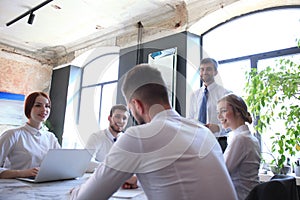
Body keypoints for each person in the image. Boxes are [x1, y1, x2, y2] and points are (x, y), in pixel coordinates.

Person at [70, 64, 238, 200]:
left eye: (130, 110)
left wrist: (73, 192)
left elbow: (85, 198)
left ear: (137, 105)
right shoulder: (203, 131)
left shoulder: (138, 136)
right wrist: (139, 181)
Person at [0, 91, 61, 179]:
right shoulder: (12, 135)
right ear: (29, 108)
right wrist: (22, 173)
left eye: (47, 106)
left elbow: (60, 164)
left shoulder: (50, 137)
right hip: (15, 187)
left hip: (43, 187)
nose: (44, 110)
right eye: (38, 105)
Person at [217, 93, 261, 200]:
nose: (219, 117)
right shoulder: (250, 138)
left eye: (223, 111)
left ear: (237, 111)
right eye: (218, 112)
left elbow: (221, 173)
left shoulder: (240, 139)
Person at [189, 57, 231, 152]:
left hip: (219, 141)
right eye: (202, 69)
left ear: (215, 72)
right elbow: (191, 118)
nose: (204, 72)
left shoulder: (225, 94)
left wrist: (218, 128)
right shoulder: (194, 95)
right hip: (197, 141)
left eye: (208, 69)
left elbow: (232, 122)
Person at [85, 104, 129, 172]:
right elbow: (86, 163)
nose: (121, 121)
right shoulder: (96, 137)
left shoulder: (128, 140)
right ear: (109, 118)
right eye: (117, 116)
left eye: (124, 118)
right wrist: (109, 169)